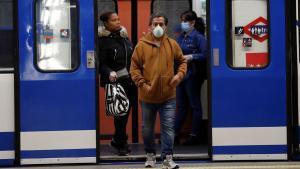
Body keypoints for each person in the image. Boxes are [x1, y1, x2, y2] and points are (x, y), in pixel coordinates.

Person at [130, 13, 187, 169]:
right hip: (147, 96)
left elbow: (182, 62)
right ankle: (150, 156)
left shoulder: (172, 44)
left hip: (168, 96)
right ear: (149, 26)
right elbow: (134, 69)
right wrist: (143, 85)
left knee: (168, 128)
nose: (158, 27)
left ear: (166, 26)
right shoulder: (141, 45)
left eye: (161, 24)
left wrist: (179, 76)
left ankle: (167, 159)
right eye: (155, 24)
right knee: (147, 129)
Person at [98, 11, 137, 156]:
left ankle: (116, 139)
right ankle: (121, 143)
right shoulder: (102, 41)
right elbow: (100, 63)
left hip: (130, 80)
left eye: (118, 19)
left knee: (127, 112)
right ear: (106, 23)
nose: (118, 22)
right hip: (114, 81)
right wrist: (109, 72)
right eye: (114, 20)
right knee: (121, 113)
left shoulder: (124, 37)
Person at [174, 10, 208, 145]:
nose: (183, 24)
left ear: (192, 22)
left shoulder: (198, 37)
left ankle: (194, 135)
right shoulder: (181, 37)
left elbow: (205, 54)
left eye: (185, 21)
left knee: (194, 105)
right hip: (181, 74)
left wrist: (192, 56)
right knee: (181, 106)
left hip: (193, 75)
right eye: (181, 21)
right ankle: (174, 134)